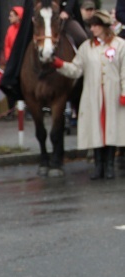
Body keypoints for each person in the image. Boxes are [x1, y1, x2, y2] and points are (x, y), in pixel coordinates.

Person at [52, 9, 125, 180]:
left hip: (112, 94)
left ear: (104, 27)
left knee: (112, 129)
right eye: (91, 26)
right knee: (96, 129)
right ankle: (98, 165)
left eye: (95, 26)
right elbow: (76, 70)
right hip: (93, 95)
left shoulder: (120, 45)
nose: (91, 29)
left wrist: (124, 92)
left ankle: (109, 166)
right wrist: (59, 64)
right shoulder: (86, 48)